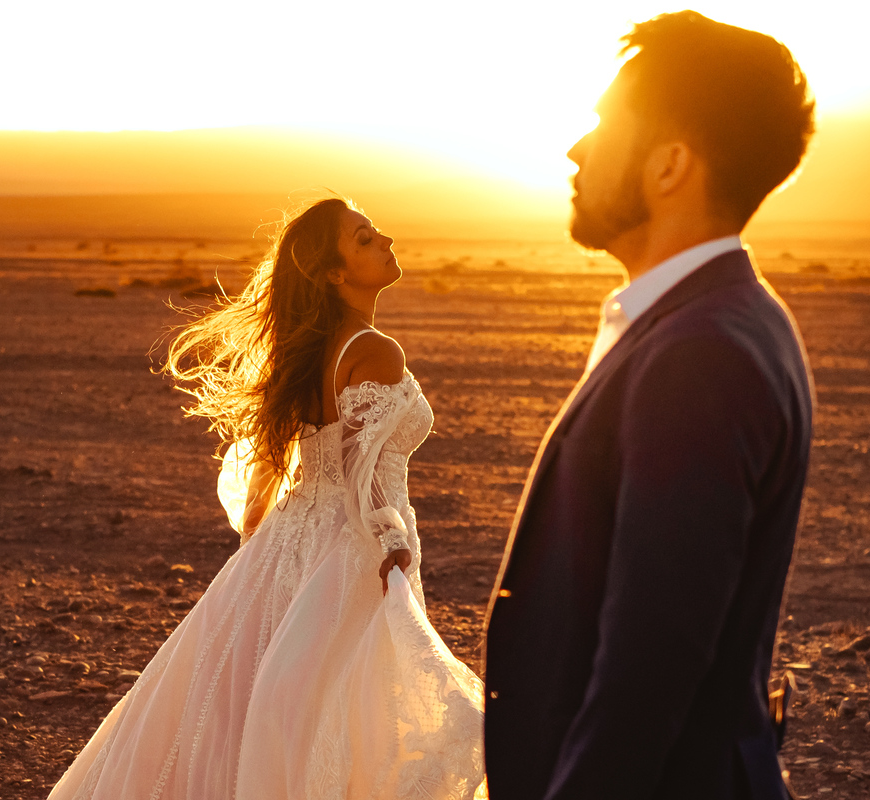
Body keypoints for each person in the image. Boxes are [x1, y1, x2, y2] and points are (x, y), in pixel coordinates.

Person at [48, 198, 485, 800]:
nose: (384, 238)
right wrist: (393, 550)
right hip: (351, 546)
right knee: (338, 707)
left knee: (253, 700)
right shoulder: (375, 350)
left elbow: (266, 494)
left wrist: (279, 542)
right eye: (363, 238)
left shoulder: (304, 350)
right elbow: (365, 476)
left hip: (289, 539)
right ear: (334, 273)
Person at [484, 11, 815, 800]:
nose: (576, 148)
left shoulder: (697, 358)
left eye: (603, 124)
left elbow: (646, 673)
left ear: (670, 165)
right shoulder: (737, 314)